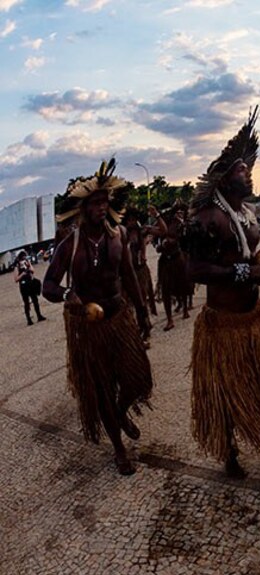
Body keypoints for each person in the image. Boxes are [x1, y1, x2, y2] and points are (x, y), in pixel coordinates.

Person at [183, 108, 260, 479]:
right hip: (223, 328)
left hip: (255, 319)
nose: (248, 173)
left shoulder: (248, 213)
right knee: (225, 394)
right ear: (223, 179)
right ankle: (229, 452)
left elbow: (247, 254)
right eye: (241, 170)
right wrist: (242, 271)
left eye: (248, 168)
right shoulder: (209, 217)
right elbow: (194, 269)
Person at [42, 158, 153, 475]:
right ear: (83, 207)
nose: (102, 207)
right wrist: (68, 295)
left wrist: (143, 312)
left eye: (105, 201)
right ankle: (119, 450)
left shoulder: (117, 236)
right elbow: (48, 285)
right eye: (95, 203)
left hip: (120, 318)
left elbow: (129, 276)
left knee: (139, 379)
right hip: (90, 328)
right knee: (103, 386)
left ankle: (120, 413)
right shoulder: (70, 245)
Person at [149, 202, 192, 331]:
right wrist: (158, 245)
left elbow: (179, 239)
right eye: (177, 212)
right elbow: (155, 236)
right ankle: (169, 319)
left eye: (181, 212)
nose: (179, 214)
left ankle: (185, 307)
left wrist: (169, 242)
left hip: (178, 258)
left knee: (183, 284)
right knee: (165, 288)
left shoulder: (181, 224)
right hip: (165, 261)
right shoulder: (164, 222)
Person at [124, 210, 159, 319]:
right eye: (129, 220)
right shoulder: (120, 232)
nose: (132, 222)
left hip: (139, 269)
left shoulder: (142, 231)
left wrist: (158, 216)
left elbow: (163, 230)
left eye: (133, 219)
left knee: (142, 297)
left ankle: (145, 321)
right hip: (126, 272)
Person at [14, 251, 46, 325]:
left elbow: (33, 271)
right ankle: (29, 319)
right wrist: (22, 274)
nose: (24, 259)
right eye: (23, 258)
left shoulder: (27, 263)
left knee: (35, 300)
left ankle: (39, 315)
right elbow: (16, 279)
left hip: (30, 283)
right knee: (26, 303)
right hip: (23, 285)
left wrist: (28, 266)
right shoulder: (17, 266)